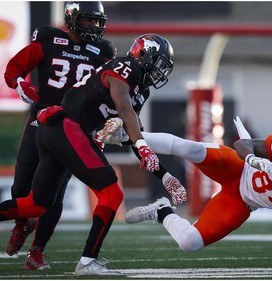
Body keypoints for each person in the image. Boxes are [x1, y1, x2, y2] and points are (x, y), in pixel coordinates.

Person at [4, 1, 186, 271]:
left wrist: (165, 175)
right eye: (159, 64)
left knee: (39, 204)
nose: (161, 73)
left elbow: (132, 127)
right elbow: (124, 108)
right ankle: (86, 261)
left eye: (96, 21)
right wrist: (21, 85)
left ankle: (41, 251)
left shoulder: (124, 72)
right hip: (62, 123)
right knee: (107, 193)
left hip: (63, 126)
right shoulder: (126, 67)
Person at [120, 116, 272, 253]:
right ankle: (129, 135)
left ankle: (162, 212)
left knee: (190, 242)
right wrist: (251, 158)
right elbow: (242, 143)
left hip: (241, 202)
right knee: (193, 149)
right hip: (238, 168)